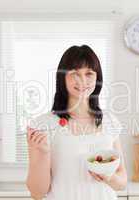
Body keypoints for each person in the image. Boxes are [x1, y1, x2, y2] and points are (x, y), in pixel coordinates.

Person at [26, 45, 127, 200]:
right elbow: (37, 193)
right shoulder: (43, 125)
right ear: (62, 78)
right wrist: (43, 153)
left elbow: (121, 182)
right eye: (74, 73)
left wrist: (108, 178)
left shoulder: (109, 121)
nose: (82, 80)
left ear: (97, 78)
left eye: (89, 73)